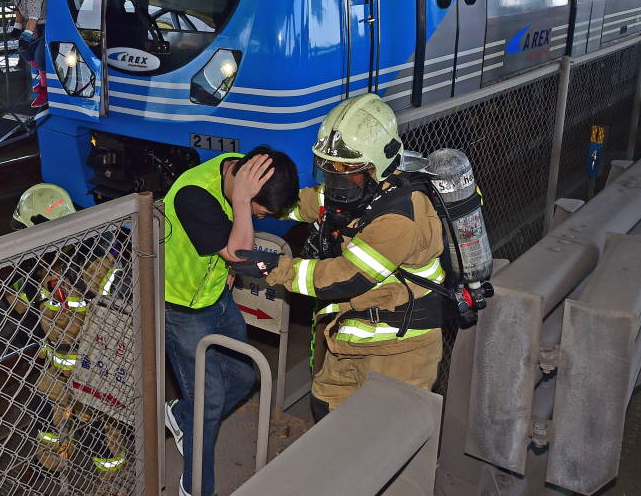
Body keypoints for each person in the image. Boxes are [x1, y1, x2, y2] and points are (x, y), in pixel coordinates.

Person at [233, 94, 445, 419]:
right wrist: (260, 200)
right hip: (351, 339)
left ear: (379, 166)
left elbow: (344, 276)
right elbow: (304, 202)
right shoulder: (352, 189)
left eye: (348, 170)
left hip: (399, 351)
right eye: (329, 169)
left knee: (381, 445)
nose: (337, 180)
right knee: (325, 408)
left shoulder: (400, 218)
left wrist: (272, 267)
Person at [161, 146, 299, 496]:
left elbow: (234, 252)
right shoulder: (195, 193)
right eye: (257, 210)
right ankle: (195, 489)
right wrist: (241, 202)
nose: (255, 217)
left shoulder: (237, 168)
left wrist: (243, 202)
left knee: (242, 377)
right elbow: (240, 255)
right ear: (243, 185)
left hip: (215, 298)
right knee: (209, 403)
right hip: (180, 309)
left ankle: (180, 416)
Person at [4, 183, 129, 481]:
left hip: (91, 367)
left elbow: (120, 306)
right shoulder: (37, 267)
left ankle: (110, 480)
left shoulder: (95, 265)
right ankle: (52, 469)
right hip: (56, 364)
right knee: (44, 412)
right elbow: (18, 306)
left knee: (95, 430)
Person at [0, 0, 49, 109]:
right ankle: (46, 78)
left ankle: (45, 89)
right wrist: (17, 28)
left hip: (46, 22)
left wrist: (26, 35)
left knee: (40, 55)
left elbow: (34, 15)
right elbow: (17, 6)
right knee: (24, 51)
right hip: (31, 23)